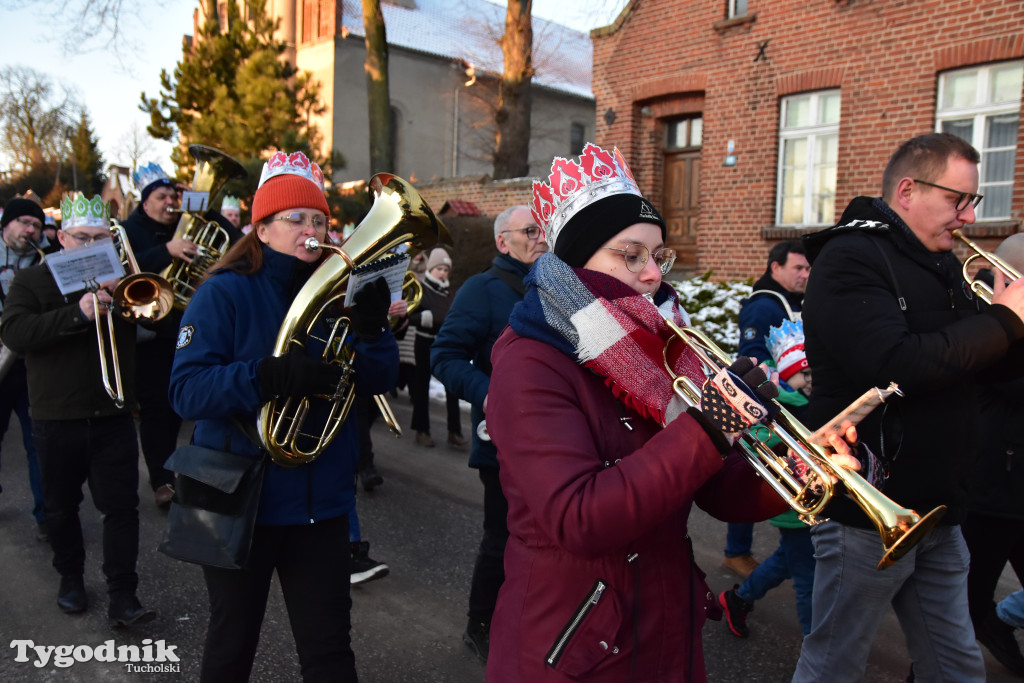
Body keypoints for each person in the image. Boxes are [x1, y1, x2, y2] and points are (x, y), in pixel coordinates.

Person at [484, 142, 863, 681]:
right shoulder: (531, 361)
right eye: (629, 253)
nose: (652, 275)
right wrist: (710, 427)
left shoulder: (658, 347)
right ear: (576, 259)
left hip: (665, 624)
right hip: (575, 643)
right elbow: (579, 518)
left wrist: (804, 466)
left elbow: (718, 488)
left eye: (657, 256)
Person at [791, 132, 1024, 682]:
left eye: (973, 203)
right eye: (957, 200)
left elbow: (974, 367)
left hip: (939, 508)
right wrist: (1004, 320)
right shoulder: (850, 258)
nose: (966, 217)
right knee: (835, 661)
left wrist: (1012, 336)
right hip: (869, 506)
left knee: (956, 663)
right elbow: (899, 367)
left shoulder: (940, 263)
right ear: (907, 191)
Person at [168, 151, 398, 681]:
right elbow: (186, 391)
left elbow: (379, 380)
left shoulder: (339, 291)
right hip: (238, 500)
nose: (312, 229)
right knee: (231, 645)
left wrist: (371, 330)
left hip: (320, 508)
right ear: (262, 228)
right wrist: (267, 377)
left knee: (330, 652)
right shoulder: (223, 292)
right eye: (296, 218)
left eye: (319, 219)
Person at [1, 194, 155, 627]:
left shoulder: (123, 277)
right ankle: (70, 577)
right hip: (55, 416)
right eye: (82, 238)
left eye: (100, 239)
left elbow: (158, 320)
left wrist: (123, 298)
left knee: (122, 508)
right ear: (63, 238)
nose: (90, 246)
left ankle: (124, 594)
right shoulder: (34, 281)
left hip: (113, 414)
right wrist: (78, 313)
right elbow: (14, 330)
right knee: (60, 508)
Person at [431, 203, 548, 663]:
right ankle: (480, 623)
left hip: (556, 439)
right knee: (502, 538)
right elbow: (445, 357)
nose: (542, 238)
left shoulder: (559, 287)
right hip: (501, 439)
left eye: (545, 230)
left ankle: (533, 620)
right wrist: (493, 393)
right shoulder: (481, 290)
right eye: (531, 230)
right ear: (504, 242)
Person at [719, 319, 816, 639]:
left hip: (813, 500)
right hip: (793, 505)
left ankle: (739, 598)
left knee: (790, 560)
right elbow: (755, 443)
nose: (811, 380)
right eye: (806, 374)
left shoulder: (812, 400)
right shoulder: (775, 406)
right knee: (808, 583)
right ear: (788, 374)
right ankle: (815, 641)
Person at [725, 240, 810, 578]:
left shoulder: (793, 302)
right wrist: (795, 387)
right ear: (776, 268)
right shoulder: (764, 307)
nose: (805, 274)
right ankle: (736, 552)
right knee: (753, 473)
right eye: (798, 268)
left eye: (807, 268)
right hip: (768, 406)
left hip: (790, 403)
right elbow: (754, 361)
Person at [962, 232, 1024, 676]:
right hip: (990, 489)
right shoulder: (986, 321)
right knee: (963, 604)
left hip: (1016, 485)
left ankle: (997, 624)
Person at [121, 161, 196, 508]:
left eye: (173, 195)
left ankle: (170, 471)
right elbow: (127, 272)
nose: (170, 201)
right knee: (154, 409)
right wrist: (167, 251)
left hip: (183, 328)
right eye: (162, 195)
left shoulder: (185, 225)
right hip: (148, 333)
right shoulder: (128, 229)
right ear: (146, 200)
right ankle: (161, 480)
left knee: (176, 406)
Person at [0, 198, 50, 539]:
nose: (30, 230)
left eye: (35, 224)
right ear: (5, 225)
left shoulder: (48, 262)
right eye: (23, 222)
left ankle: (47, 517)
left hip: (34, 364)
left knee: (40, 443)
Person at [408, 247, 464, 448]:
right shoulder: (421, 290)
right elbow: (406, 316)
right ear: (431, 269)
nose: (443, 273)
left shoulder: (449, 292)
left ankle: (454, 431)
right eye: (439, 268)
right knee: (421, 387)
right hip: (424, 342)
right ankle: (422, 430)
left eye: (446, 269)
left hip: (444, 343)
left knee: (452, 387)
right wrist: (426, 318)